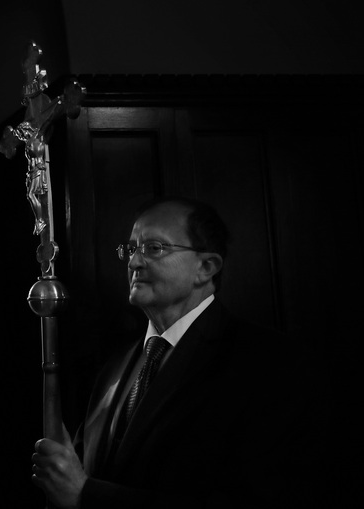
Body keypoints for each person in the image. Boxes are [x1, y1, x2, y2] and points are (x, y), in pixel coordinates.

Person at [31, 196, 327, 508]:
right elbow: (83, 472)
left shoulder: (268, 364)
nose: (133, 262)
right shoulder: (115, 366)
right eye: (131, 249)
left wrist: (87, 495)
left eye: (154, 248)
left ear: (206, 267)